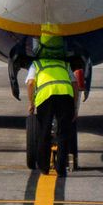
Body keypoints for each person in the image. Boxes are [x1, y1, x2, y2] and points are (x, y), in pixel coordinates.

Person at [25, 25, 77, 174]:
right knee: (63, 133)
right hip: (65, 96)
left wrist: (31, 103)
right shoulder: (64, 64)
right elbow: (74, 83)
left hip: (46, 97)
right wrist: (74, 106)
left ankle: (44, 167)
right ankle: (61, 169)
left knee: (44, 132)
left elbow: (30, 83)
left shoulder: (37, 64)